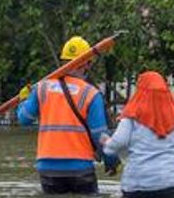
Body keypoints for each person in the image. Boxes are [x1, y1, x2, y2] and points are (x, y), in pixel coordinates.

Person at [17, 36, 118, 195]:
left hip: (48, 167)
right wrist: (111, 161)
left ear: (63, 61)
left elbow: (23, 119)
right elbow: (101, 136)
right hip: (80, 167)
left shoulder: (41, 88)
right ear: (87, 64)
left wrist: (24, 99)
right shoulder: (91, 93)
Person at [102, 71, 174, 198]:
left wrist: (106, 144)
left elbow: (118, 143)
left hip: (137, 184)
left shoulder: (131, 116)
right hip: (169, 183)